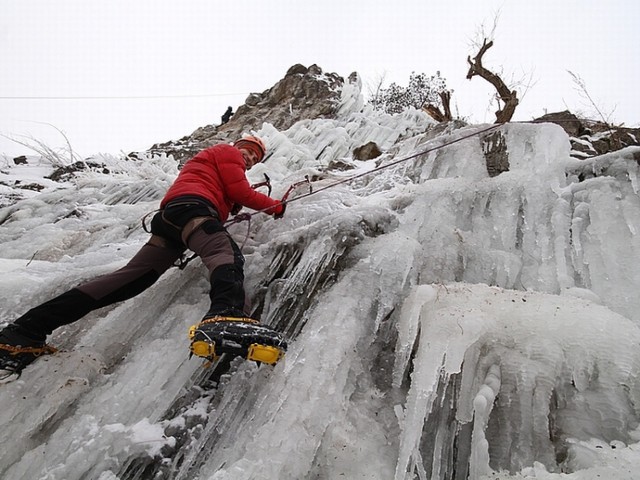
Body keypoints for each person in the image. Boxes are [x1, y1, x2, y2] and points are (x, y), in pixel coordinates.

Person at [0, 135, 285, 378]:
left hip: (172, 219)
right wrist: (276, 206)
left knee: (131, 279)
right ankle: (227, 315)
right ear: (239, 146)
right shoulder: (227, 151)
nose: (248, 159)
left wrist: (230, 204)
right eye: (248, 152)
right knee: (223, 252)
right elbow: (239, 190)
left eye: (254, 159)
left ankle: (25, 331)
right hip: (193, 210)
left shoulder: (213, 167)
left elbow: (230, 193)